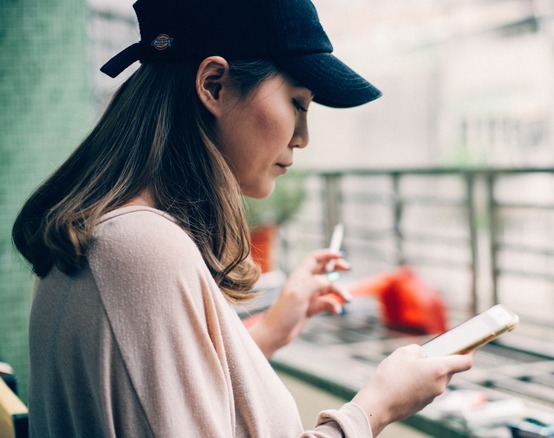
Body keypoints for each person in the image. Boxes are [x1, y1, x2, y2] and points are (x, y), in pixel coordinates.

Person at [12, 0, 473, 436]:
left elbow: (159, 401)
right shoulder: (140, 248)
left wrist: (271, 330)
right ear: (214, 85)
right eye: (298, 103)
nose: (303, 137)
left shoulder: (105, 237)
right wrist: (375, 408)